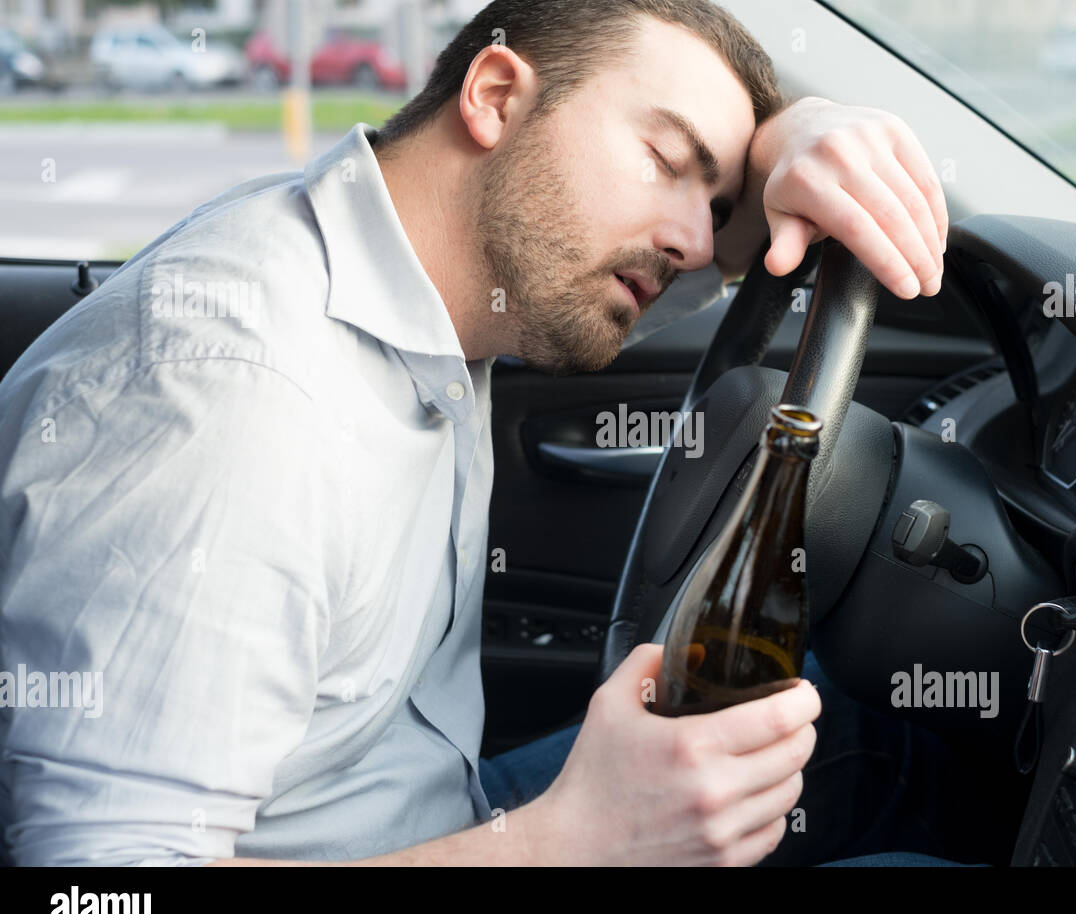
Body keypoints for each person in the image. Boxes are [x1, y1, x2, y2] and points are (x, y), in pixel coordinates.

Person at [0, 0, 951, 866]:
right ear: (495, 96)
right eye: (666, 161)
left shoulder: (443, 280)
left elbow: (744, 241)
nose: (699, 243)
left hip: (435, 815)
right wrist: (571, 841)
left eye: (712, 200)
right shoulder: (231, 404)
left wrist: (801, 131)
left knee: (876, 738)